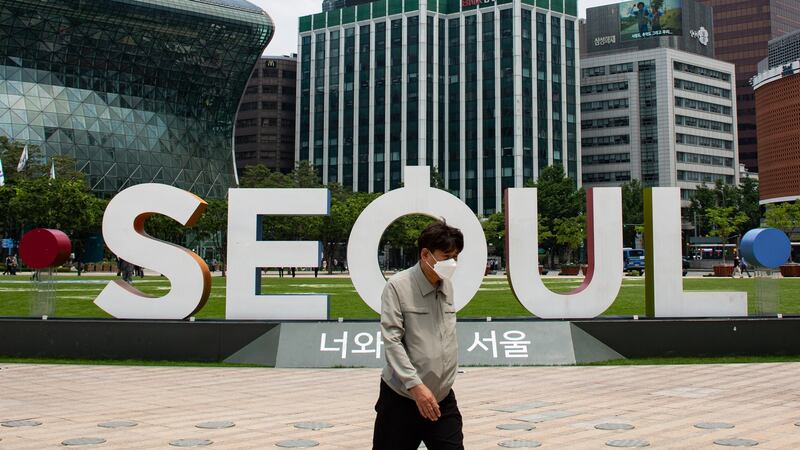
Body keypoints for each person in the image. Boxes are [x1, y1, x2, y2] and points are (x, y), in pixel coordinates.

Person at [372, 220, 464, 450]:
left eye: (456, 256)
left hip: (441, 397)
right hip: (401, 398)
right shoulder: (397, 286)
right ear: (425, 254)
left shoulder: (447, 286)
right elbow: (392, 340)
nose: (452, 263)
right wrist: (415, 385)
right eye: (447, 256)